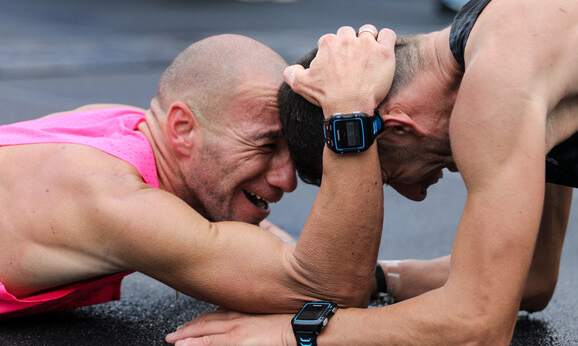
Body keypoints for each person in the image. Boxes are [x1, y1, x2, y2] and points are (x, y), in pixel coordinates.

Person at [165, 0, 578, 346]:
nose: (415, 195)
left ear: (395, 127)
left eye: (387, 176)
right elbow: (533, 279)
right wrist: (378, 279)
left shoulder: (498, 78)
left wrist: (293, 331)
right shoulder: (508, 34)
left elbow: (476, 326)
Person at [0, 33, 394, 319]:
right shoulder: (112, 198)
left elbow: (273, 251)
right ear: (183, 128)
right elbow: (332, 290)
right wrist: (351, 111)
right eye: (264, 145)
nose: (286, 180)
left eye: (288, 151)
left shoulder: (119, 124)